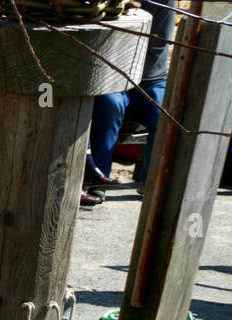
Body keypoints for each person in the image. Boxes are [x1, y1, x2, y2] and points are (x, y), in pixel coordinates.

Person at [86, 0, 175, 190]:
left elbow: (157, 47)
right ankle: (98, 179)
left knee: (165, 113)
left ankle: (151, 184)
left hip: (150, 79)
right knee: (110, 105)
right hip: (110, 76)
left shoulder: (163, 3)